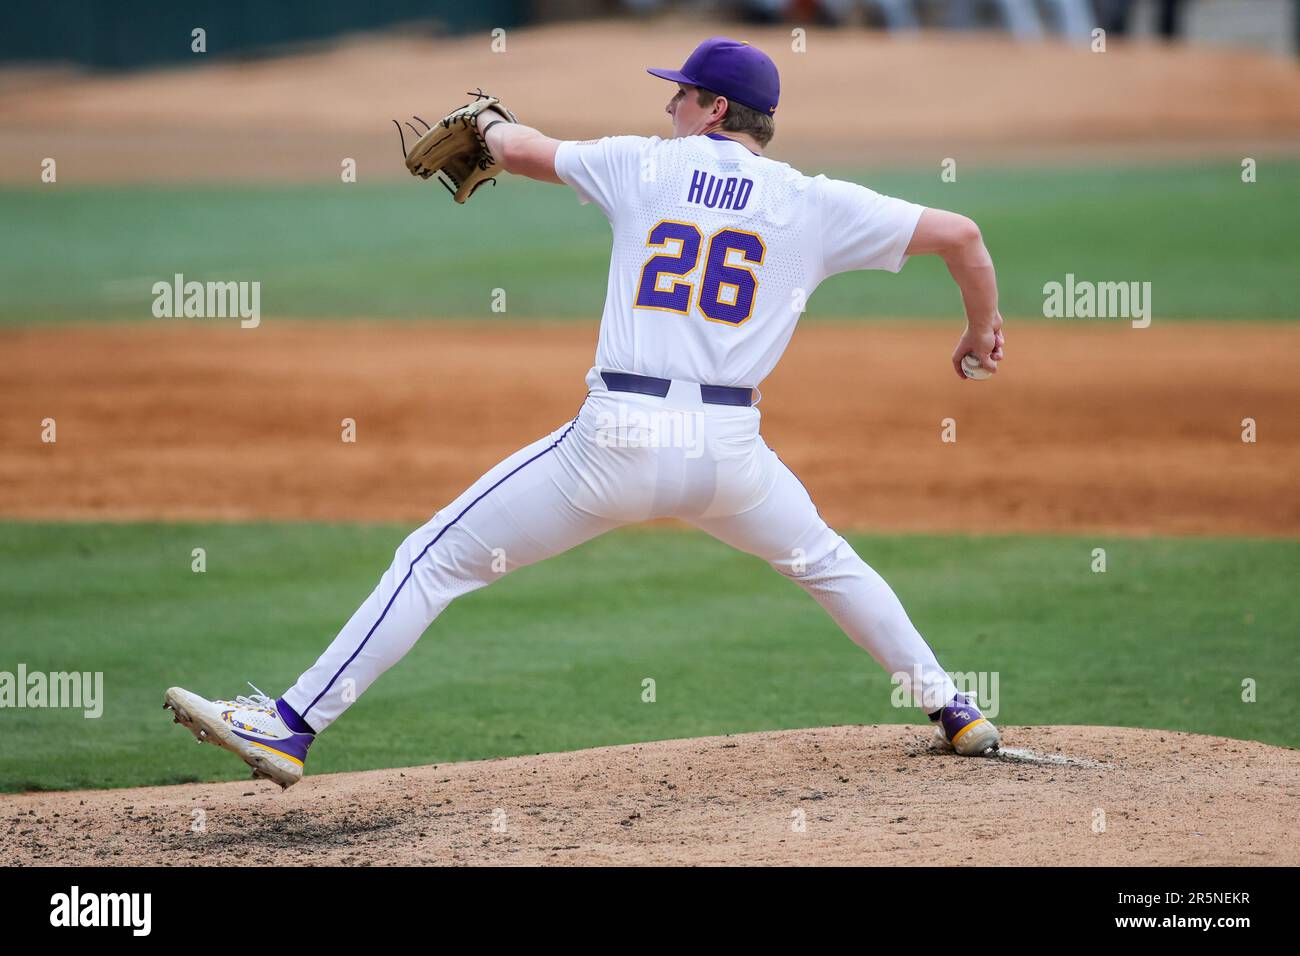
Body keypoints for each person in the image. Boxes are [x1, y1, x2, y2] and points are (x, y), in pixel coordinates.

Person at [165, 37, 1007, 788]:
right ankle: (956, 710)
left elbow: (522, 150)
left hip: (616, 445)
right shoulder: (816, 202)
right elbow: (964, 234)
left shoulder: (646, 164)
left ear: (715, 109)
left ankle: (290, 725)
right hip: (732, 458)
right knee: (826, 562)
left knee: (432, 560)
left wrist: (486, 123)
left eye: (680, 93)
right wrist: (980, 333)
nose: (667, 105)